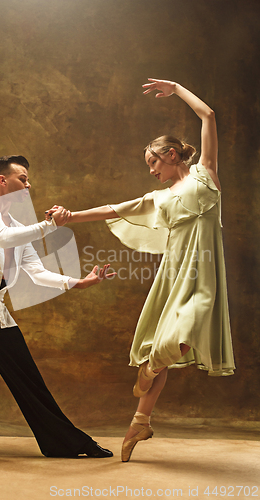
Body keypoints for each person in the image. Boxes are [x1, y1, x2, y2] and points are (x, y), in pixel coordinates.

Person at [47, 78, 235, 462]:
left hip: (206, 275)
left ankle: (148, 371)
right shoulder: (158, 198)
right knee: (165, 341)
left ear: (170, 154)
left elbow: (208, 114)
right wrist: (69, 218)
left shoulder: (206, 172)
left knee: (180, 341)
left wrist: (178, 88)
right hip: (174, 274)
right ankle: (140, 421)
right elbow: (113, 209)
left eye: (153, 162)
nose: (151, 171)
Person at [0, 154, 116, 461]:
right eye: (23, 178)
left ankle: (68, 443)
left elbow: (36, 272)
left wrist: (78, 282)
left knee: (30, 380)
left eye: (29, 179)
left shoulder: (20, 226)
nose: (28, 184)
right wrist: (49, 225)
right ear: (2, 181)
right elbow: (1, 237)